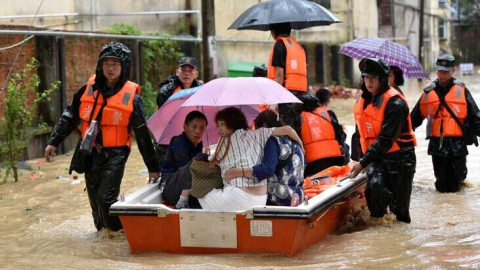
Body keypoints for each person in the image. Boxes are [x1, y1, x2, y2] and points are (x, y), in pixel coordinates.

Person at [44, 41, 160, 232]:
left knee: (105, 199)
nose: (110, 68)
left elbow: (142, 134)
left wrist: (153, 167)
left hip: (116, 154)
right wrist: (54, 141)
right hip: (89, 152)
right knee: (95, 204)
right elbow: (70, 115)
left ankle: (119, 234)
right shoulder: (88, 89)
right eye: (106, 64)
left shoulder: (132, 98)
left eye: (115, 64)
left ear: (123, 67)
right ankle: (103, 238)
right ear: (101, 65)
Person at [350, 58, 417, 223]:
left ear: (383, 79)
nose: (369, 81)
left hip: (400, 159)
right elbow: (359, 133)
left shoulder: (396, 103)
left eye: (373, 78)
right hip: (376, 158)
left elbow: (386, 139)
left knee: (400, 212)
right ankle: (379, 232)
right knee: (375, 190)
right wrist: (357, 158)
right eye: (366, 77)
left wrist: (362, 162)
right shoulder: (364, 99)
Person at [197, 107, 303, 211]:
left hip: (236, 197)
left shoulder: (224, 141)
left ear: (231, 123)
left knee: (200, 192)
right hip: (260, 200)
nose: (218, 129)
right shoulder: (260, 134)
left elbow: (213, 160)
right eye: (218, 125)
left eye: (222, 124)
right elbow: (288, 129)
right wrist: (301, 145)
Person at [410, 54, 480, 193]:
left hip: (457, 146)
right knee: (441, 185)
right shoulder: (428, 92)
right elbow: (414, 119)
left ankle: (457, 211)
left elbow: (475, 117)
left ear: (453, 70)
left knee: (456, 183)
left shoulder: (462, 91)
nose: (442, 74)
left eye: (446, 71)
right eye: (440, 71)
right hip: (437, 145)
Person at [224, 110, 305, 207]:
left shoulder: (273, 141)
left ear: (265, 126)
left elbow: (267, 170)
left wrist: (236, 172)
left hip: (279, 199)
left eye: (257, 128)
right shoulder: (295, 143)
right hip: (297, 197)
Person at [155, 56, 203, 166]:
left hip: (192, 134)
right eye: (183, 70)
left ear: (196, 74)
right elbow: (165, 118)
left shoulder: (202, 89)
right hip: (168, 136)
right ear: (177, 72)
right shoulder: (166, 91)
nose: (187, 74)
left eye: (190, 71)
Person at [160, 110, 207, 209]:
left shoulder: (199, 143)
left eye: (202, 128)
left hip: (187, 187)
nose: (198, 131)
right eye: (194, 127)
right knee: (202, 158)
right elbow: (188, 169)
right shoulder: (178, 142)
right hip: (171, 189)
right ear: (185, 127)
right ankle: (183, 200)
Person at [267, 22, 307, 135]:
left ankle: (292, 152)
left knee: (287, 130)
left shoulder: (279, 46)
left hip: (285, 96)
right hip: (298, 96)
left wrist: (273, 102)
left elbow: (279, 76)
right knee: (296, 130)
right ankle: (299, 152)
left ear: (274, 32)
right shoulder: (298, 47)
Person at [300, 91, 349, 177]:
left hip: (312, 165)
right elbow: (341, 137)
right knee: (346, 147)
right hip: (335, 160)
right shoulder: (328, 114)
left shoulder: (299, 119)